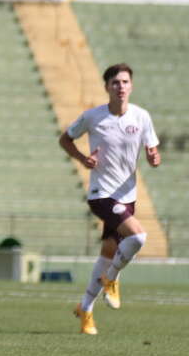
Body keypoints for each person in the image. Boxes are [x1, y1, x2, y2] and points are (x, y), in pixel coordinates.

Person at [59, 62, 160, 335]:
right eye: (115, 82)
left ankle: (85, 310)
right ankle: (112, 279)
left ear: (131, 86)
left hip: (127, 196)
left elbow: (153, 151)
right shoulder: (93, 117)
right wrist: (83, 159)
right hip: (101, 194)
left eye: (125, 82)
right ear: (107, 87)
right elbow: (65, 139)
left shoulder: (141, 117)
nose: (121, 87)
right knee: (138, 237)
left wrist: (154, 157)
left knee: (107, 254)